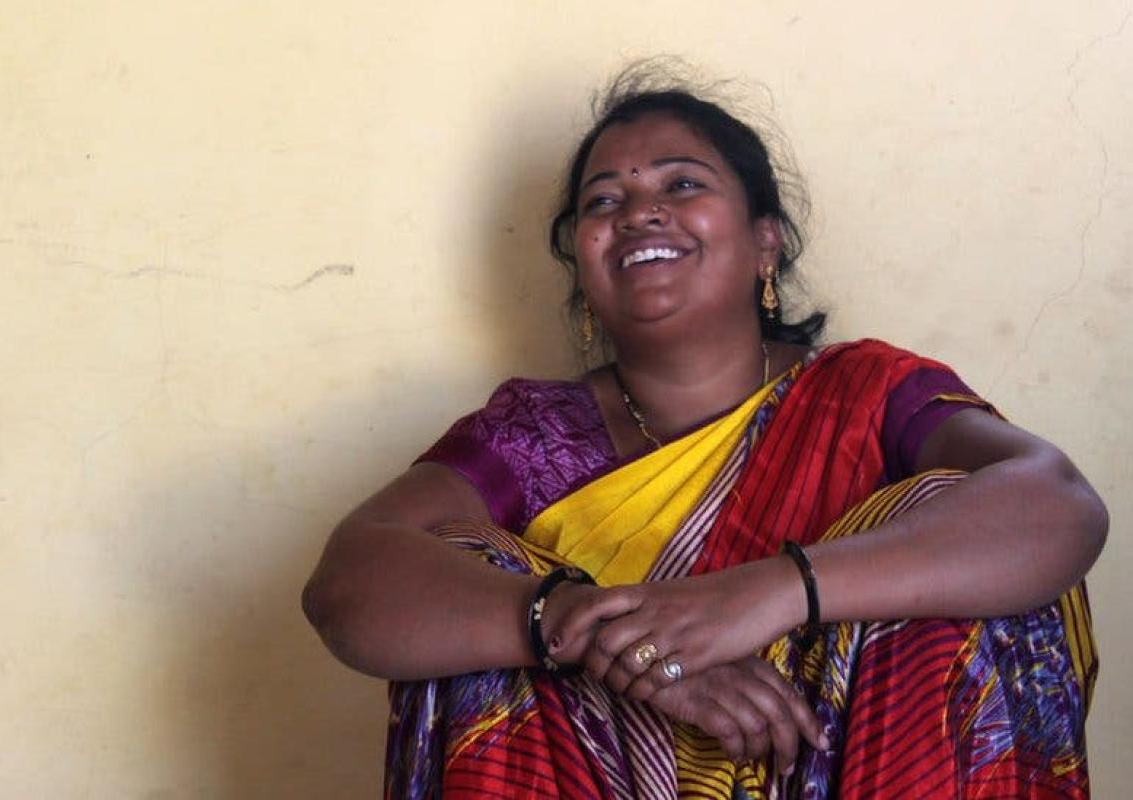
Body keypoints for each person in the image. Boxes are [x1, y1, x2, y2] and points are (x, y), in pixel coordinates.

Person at [301, 67, 1107, 799]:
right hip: (600, 774)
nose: (638, 211)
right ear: (582, 266)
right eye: (603, 202)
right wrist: (611, 641)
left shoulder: (865, 393)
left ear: (766, 241)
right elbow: (349, 580)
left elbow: (1056, 505)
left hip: (846, 764)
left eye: (682, 183)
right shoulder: (535, 434)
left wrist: (769, 595)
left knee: (960, 531)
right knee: (469, 575)